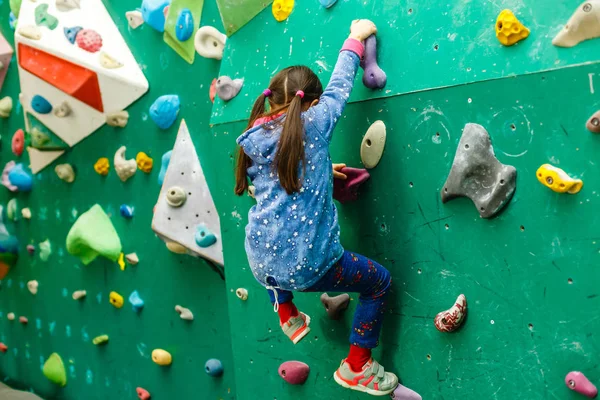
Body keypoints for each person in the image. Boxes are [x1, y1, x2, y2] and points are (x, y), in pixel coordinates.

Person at [235, 19, 398, 396]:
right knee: (378, 282)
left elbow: (277, 182)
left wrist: (323, 169)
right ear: (309, 103)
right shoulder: (314, 122)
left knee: (271, 255)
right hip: (311, 265)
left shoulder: (252, 137)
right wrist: (355, 38)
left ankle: (286, 312)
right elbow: (340, 86)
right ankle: (357, 366)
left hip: (260, 262)